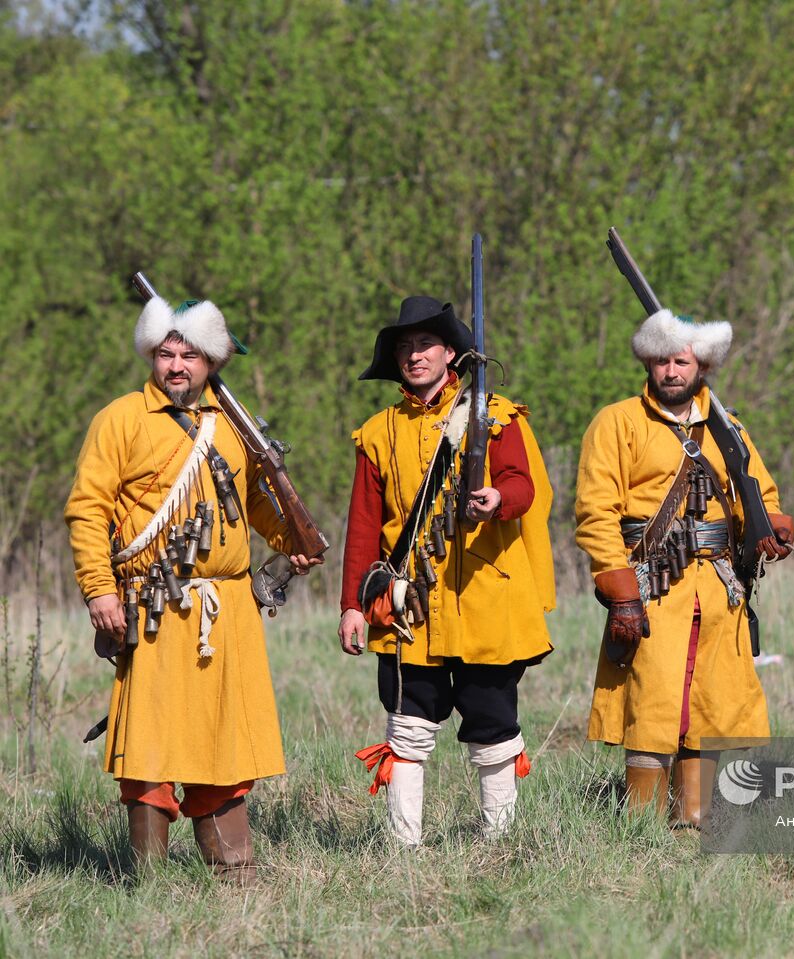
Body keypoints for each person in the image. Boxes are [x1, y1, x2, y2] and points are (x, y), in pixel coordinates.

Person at [66, 293, 319, 879]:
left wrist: (292, 539)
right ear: (151, 356)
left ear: (212, 363)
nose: (176, 365)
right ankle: (148, 881)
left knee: (224, 739)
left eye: (190, 355)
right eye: (165, 353)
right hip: (154, 603)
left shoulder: (234, 423)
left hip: (228, 606)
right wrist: (100, 591)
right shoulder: (120, 419)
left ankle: (233, 872)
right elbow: (87, 511)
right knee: (150, 747)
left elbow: (255, 499)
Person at [338, 296, 554, 846]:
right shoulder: (378, 432)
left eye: (425, 344)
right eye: (404, 347)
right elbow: (364, 527)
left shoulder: (495, 415)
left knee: (492, 720)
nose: (414, 355)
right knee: (408, 724)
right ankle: (403, 846)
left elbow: (524, 486)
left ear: (451, 353)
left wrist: (496, 500)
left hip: (486, 600)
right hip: (409, 605)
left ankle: (497, 841)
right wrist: (352, 607)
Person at [575, 307, 794, 827]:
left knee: (711, 698)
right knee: (651, 702)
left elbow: (758, 491)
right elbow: (594, 513)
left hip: (719, 588)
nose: (671, 372)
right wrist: (622, 589)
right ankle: (639, 824)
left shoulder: (729, 427)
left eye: (681, 360)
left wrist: (772, 528)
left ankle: (693, 815)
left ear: (702, 365)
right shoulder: (617, 422)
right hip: (653, 584)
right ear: (648, 364)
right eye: (661, 361)